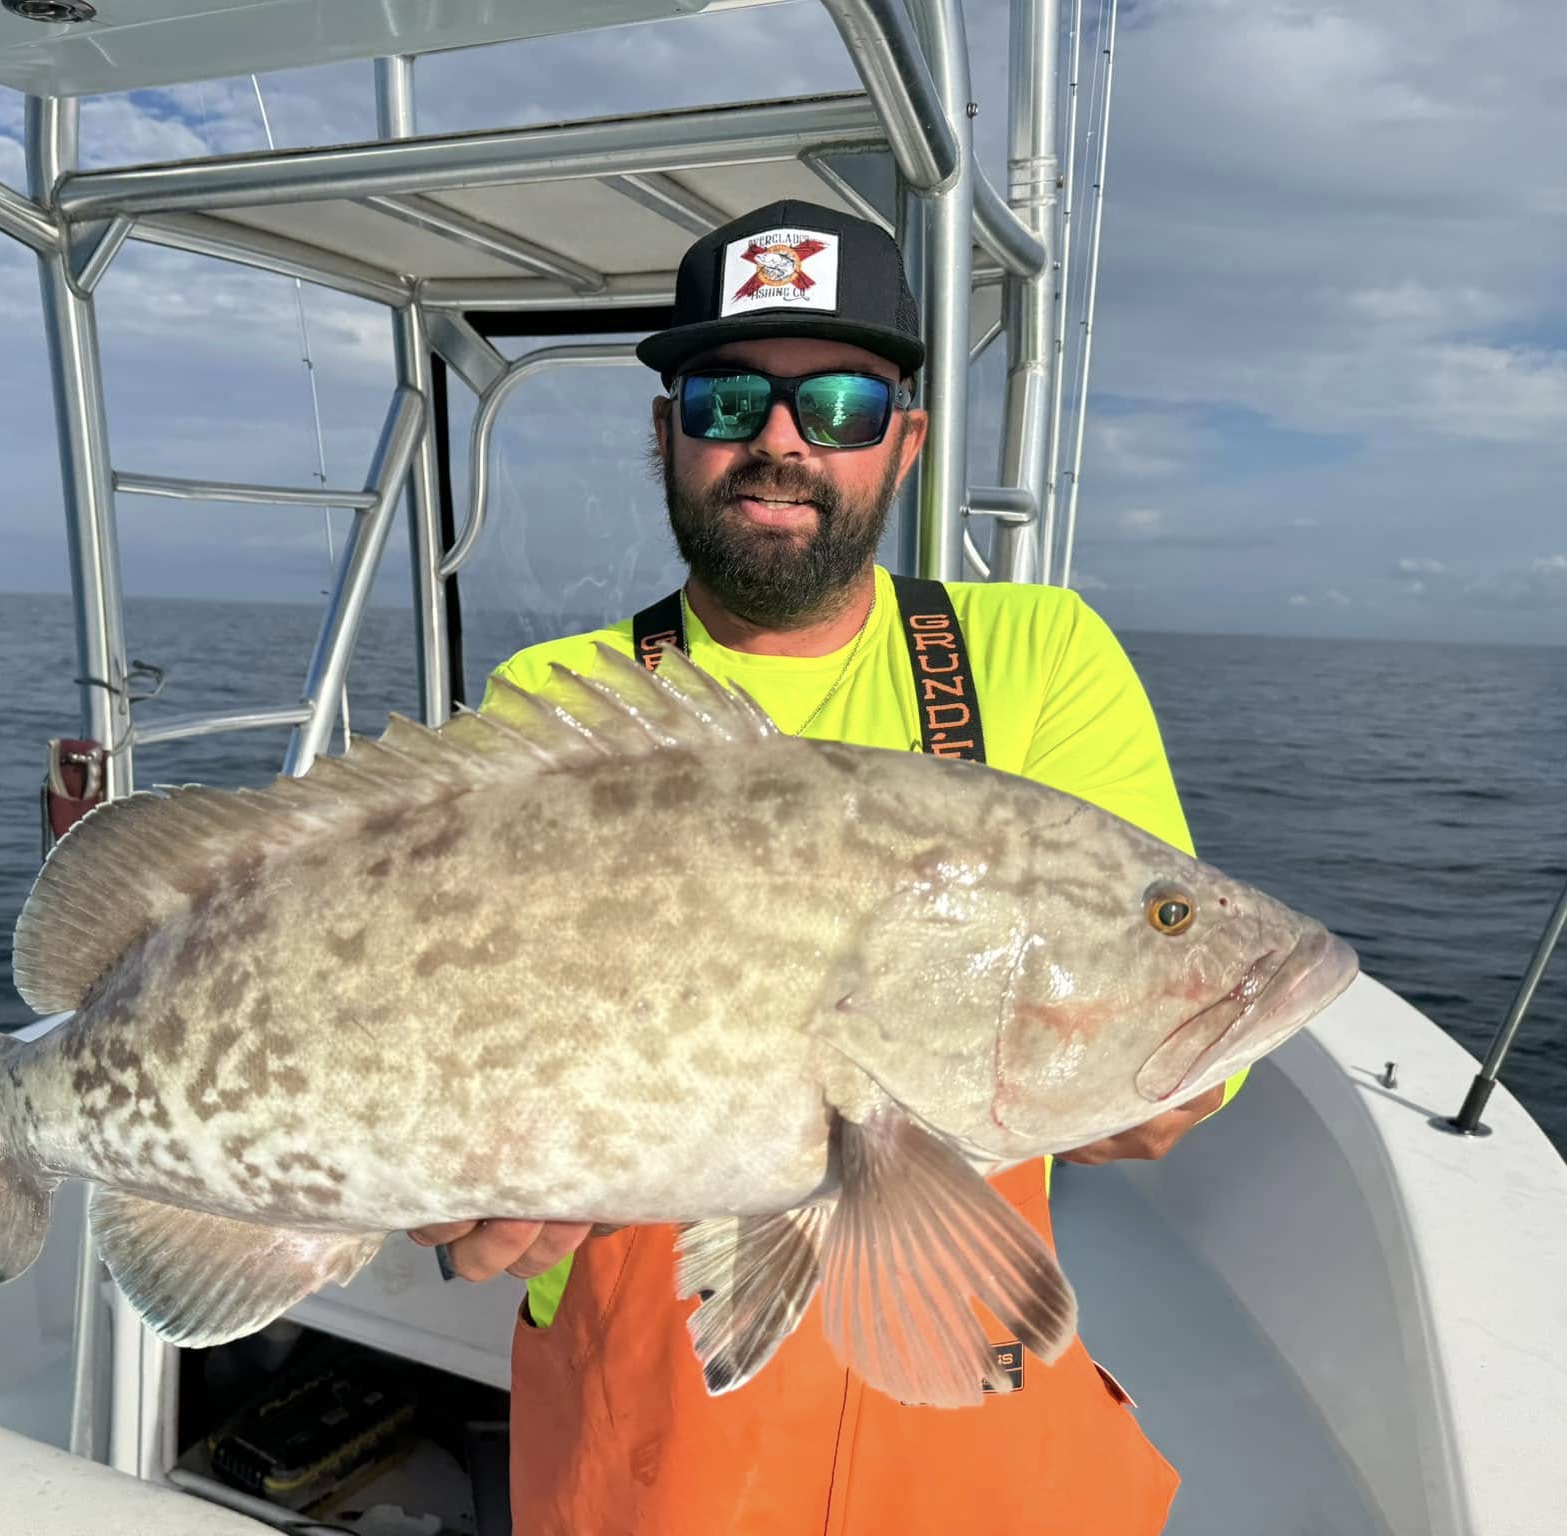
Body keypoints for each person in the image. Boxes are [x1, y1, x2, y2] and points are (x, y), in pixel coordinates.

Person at [408, 198, 1238, 1535]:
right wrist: (414, 1162)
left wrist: (1156, 1063)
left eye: (842, 403)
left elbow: (1174, 1050)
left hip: (963, 1343)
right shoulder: (557, 698)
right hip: (648, 1393)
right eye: (727, 398)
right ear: (666, 432)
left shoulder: (1038, 657)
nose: (781, 442)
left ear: (903, 442)